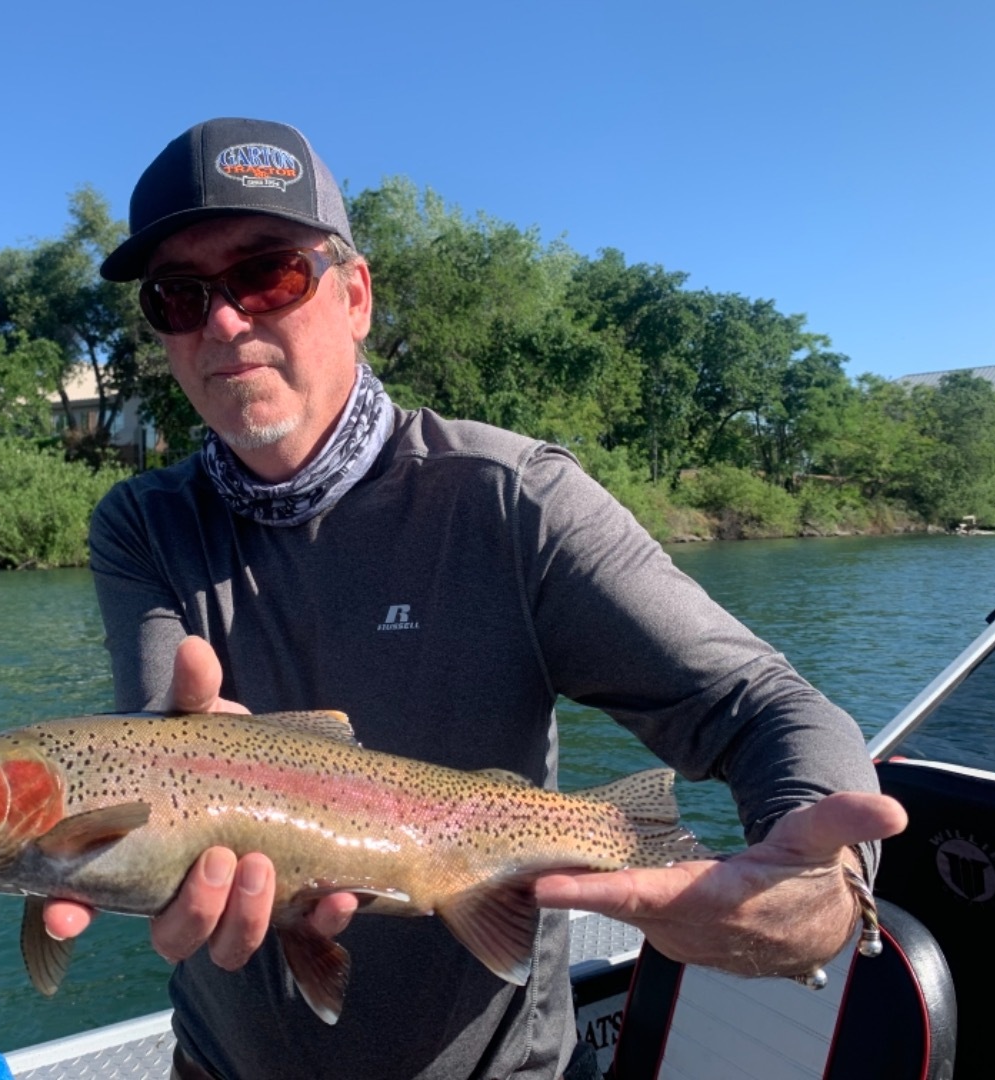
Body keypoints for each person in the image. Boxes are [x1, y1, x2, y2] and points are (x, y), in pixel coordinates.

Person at [44, 117, 907, 1080]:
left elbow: (765, 708)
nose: (226, 321)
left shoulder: (513, 499)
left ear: (356, 295)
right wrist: (191, 760)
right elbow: (166, 726)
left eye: (268, 273)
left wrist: (827, 888)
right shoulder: (141, 525)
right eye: (180, 295)